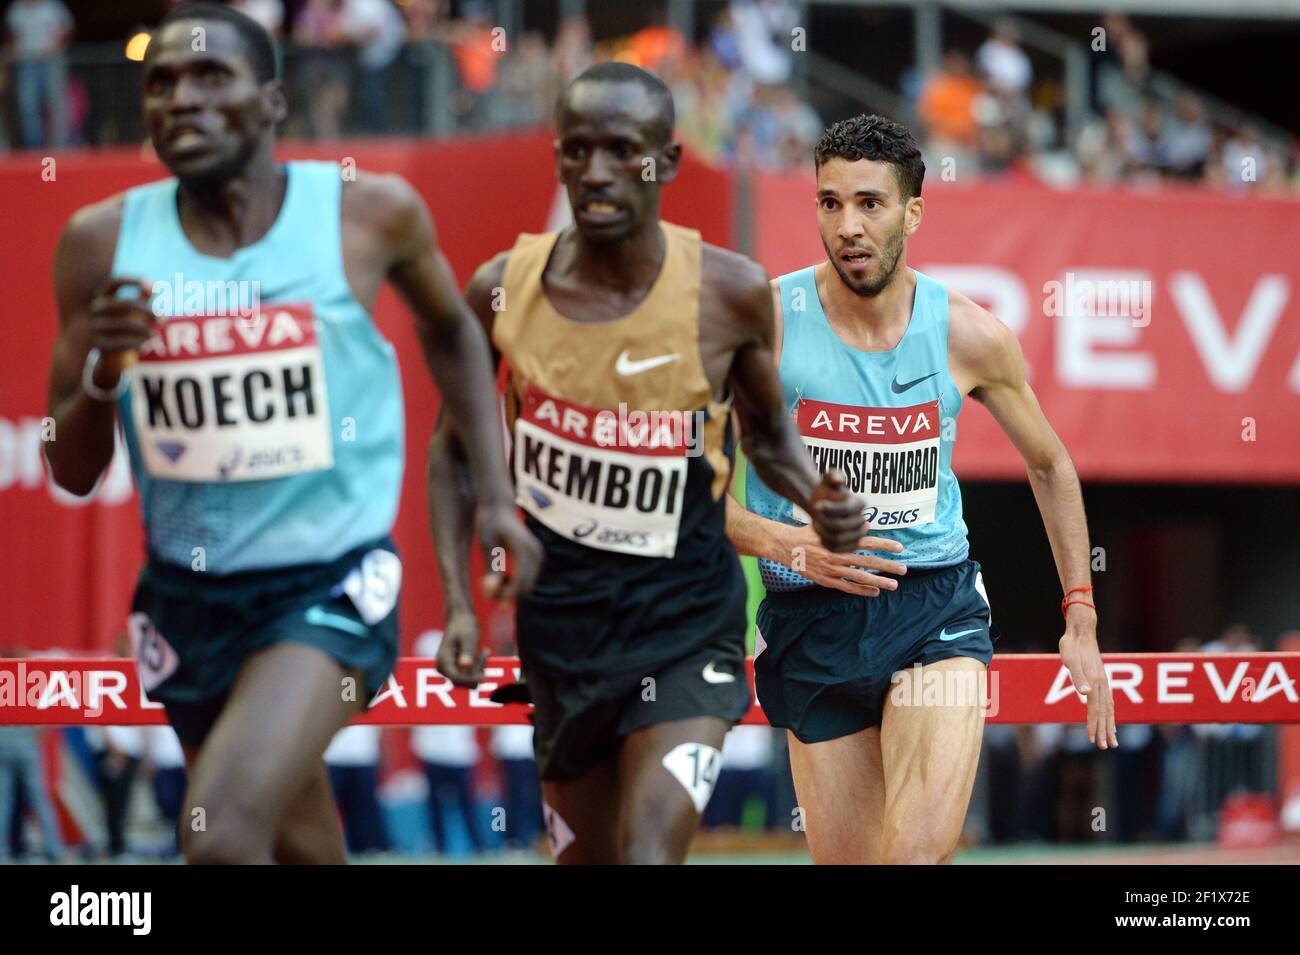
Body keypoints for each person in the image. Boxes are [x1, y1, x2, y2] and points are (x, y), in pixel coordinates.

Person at [42, 3, 538, 865]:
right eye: (160, 83)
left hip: (332, 584)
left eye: (210, 79)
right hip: (189, 599)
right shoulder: (99, 245)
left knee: (220, 832)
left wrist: (497, 496)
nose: (181, 101)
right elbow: (72, 467)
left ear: (272, 101)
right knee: (297, 844)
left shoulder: (368, 215)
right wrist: (104, 376)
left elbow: (456, 331)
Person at [426, 61, 868, 865]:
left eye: (621, 151)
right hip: (561, 628)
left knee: (649, 853)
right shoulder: (500, 289)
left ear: (665, 161)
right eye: (577, 151)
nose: (596, 172)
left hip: (686, 625)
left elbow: (767, 434)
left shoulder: (727, 293)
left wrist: (814, 497)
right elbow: (453, 451)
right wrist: (459, 602)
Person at [727, 114, 1115, 864]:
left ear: (913, 212)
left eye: (870, 203)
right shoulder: (763, 323)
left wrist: (1081, 615)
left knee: (908, 859)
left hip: (932, 608)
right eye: (829, 202)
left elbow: (1049, 464)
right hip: (809, 614)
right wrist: (788, 543)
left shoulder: (966, 334)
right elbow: (690, 483)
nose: (848, 226)